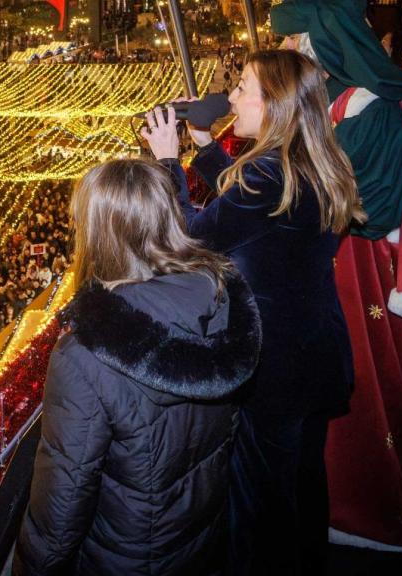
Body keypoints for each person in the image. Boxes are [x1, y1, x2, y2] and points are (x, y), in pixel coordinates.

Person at [141, 49, 365, 574]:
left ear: (276, 105)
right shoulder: (309, 161)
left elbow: (191, 238)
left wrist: (169, 162)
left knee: (259, 507)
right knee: (304, 489)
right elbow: (254, 210)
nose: (232, 95)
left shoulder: (267, 174)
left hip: (275, 370)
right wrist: (202, 147)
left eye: (243, 87)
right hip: (316, 353)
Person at [271, 0, 402, 558]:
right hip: (348, 273)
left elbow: (368, 211)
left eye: (290, 41)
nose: (283, 51)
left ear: (319, 48)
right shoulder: (341, 106)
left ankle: (370, 499)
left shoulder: (368, 112)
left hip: (364, 279)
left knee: (367, 395)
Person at [14, 158, 262, 575]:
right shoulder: (219, 298)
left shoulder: (85, 357)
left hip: (124, 558)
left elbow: (61, 504)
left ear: (97, 234)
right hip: (200, 534)